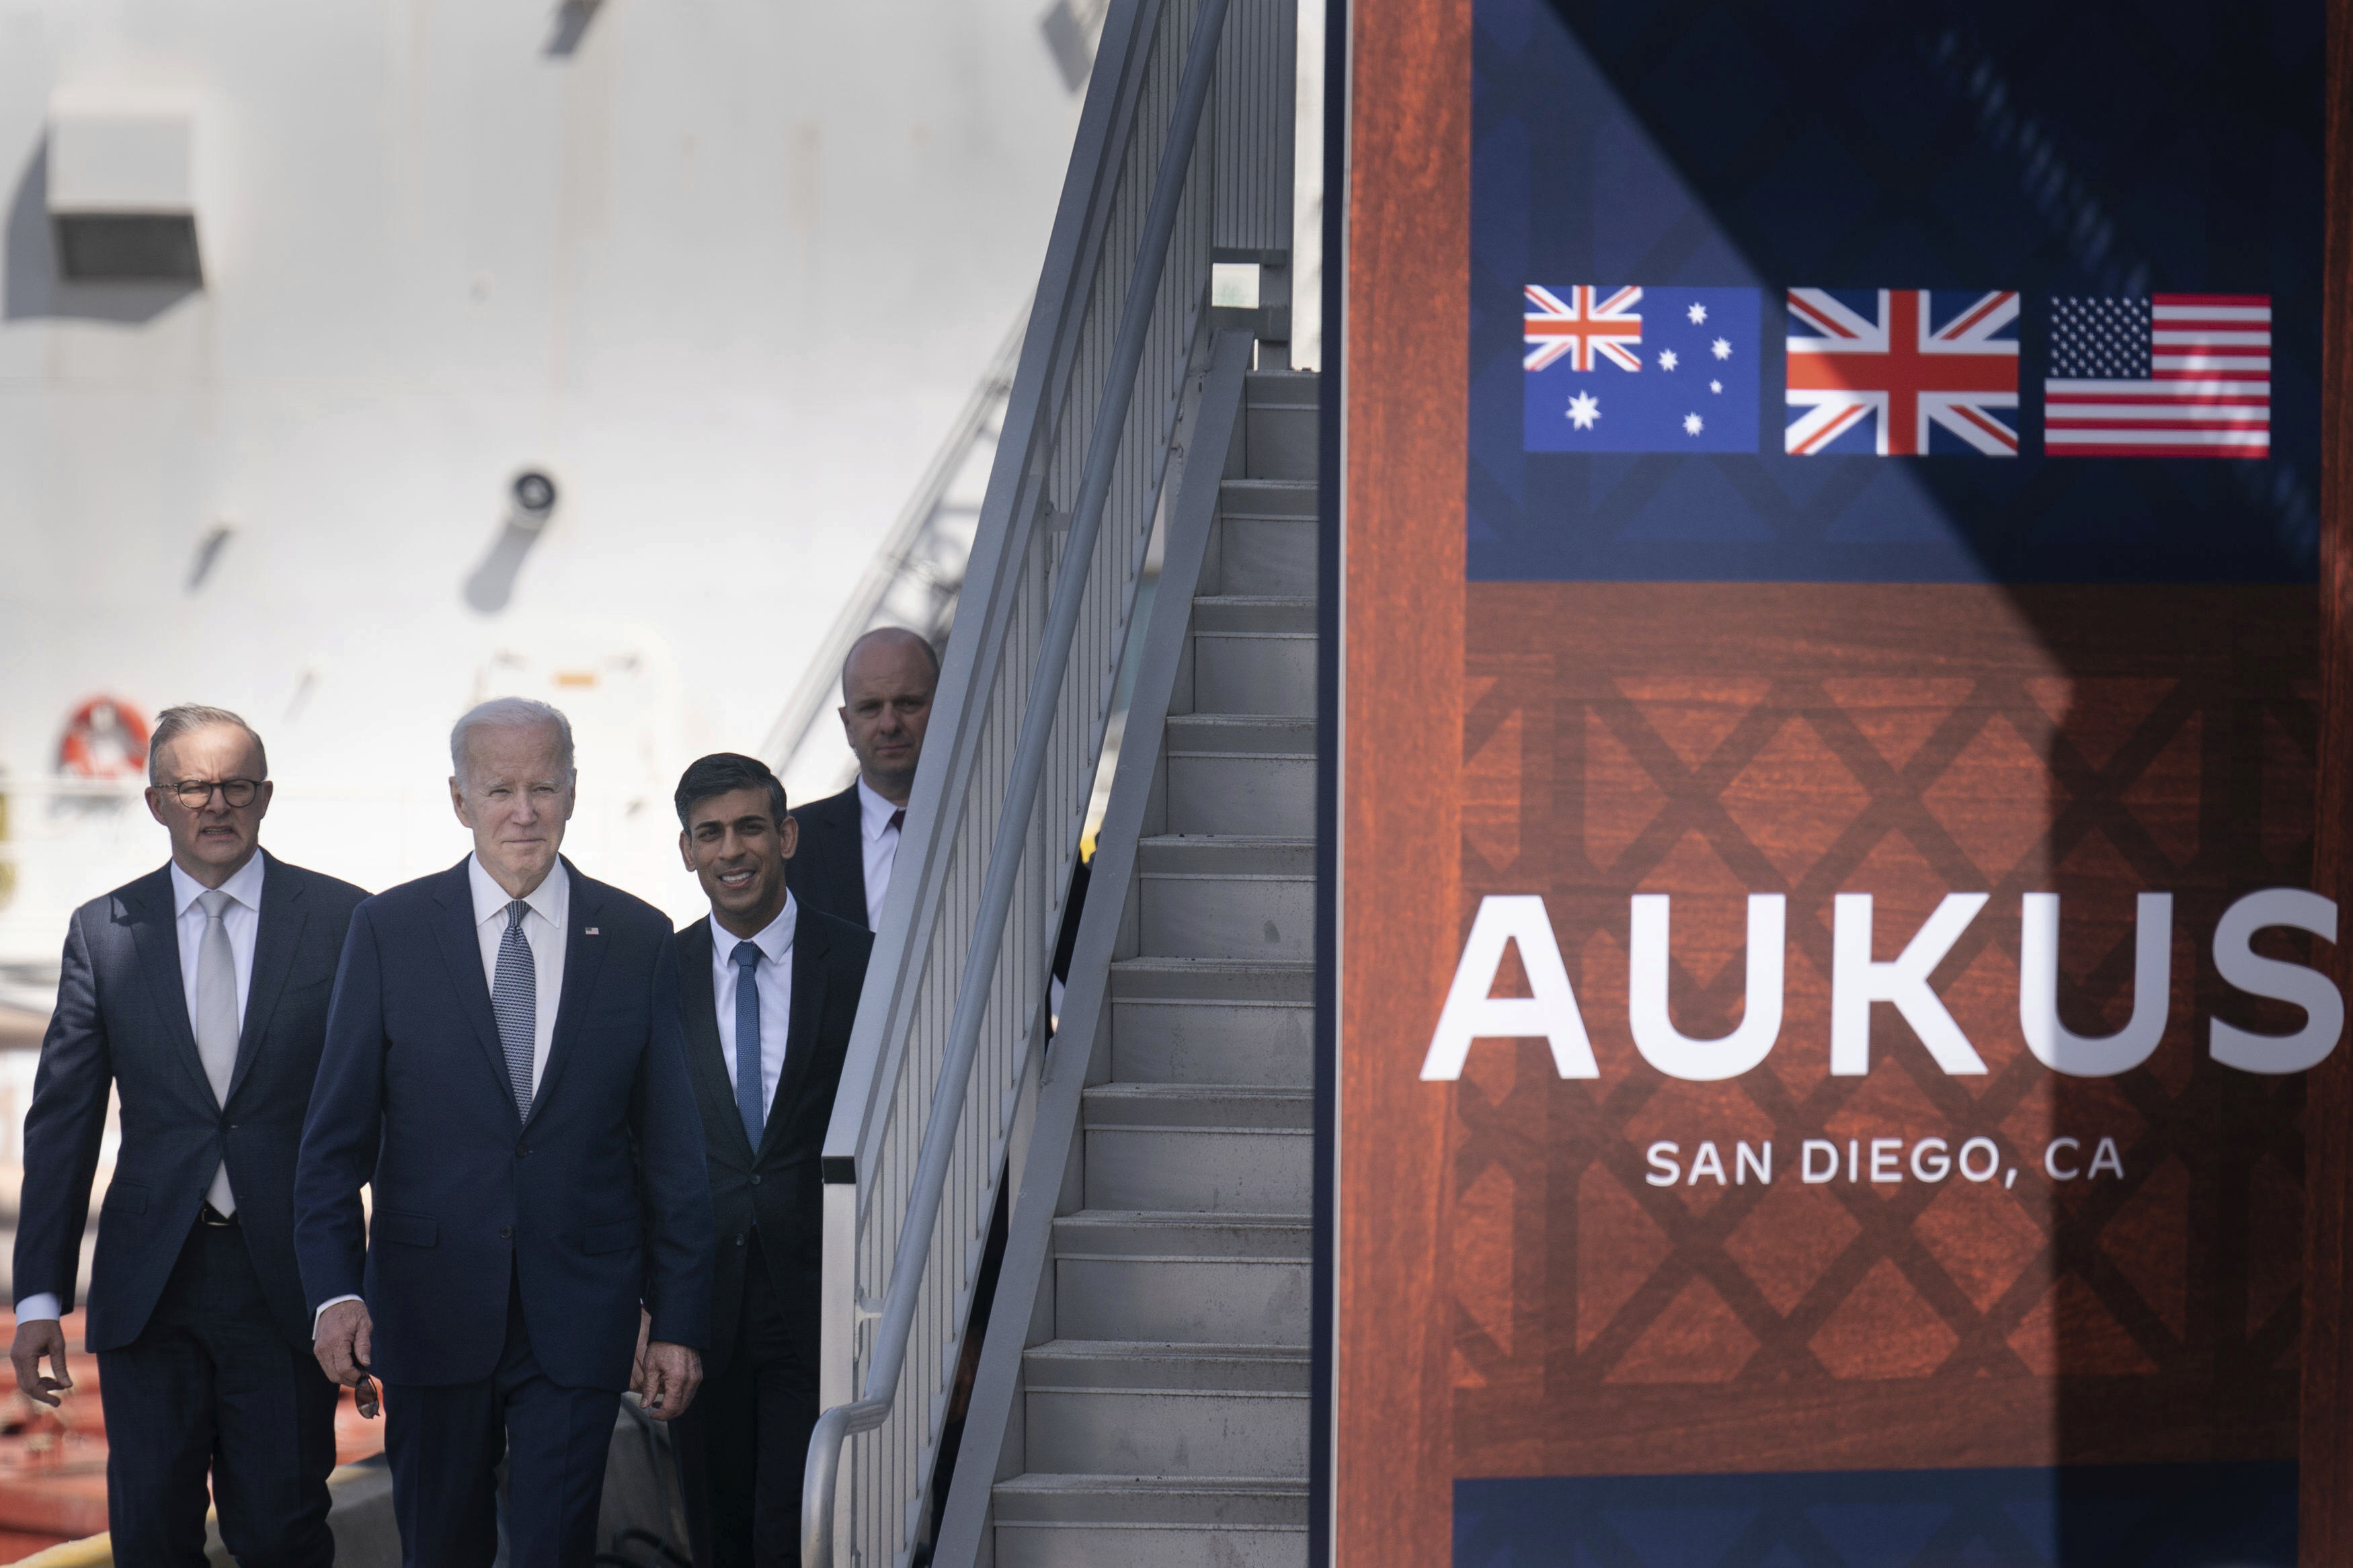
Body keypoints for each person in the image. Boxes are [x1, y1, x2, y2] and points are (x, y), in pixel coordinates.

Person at [292, 697, 714, 1567]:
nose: (524, 811)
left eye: (543, 788)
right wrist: (335, 1292)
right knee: (440, 1549)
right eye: (500, 790)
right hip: (427, 1305)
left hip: (581, 1312)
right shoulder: (390, 931)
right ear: (459, 799)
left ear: (571, 793)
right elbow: (333, 1141)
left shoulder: (637, 938)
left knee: (555, 1550)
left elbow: (673, 1150)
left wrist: (675, 1319)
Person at [10, 705, 368, 1567]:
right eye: (192, 786)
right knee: (152, 1539)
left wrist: (376, 1287)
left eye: (236, 784)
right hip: (150, 1286)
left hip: (289, 1283)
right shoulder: (105, 930)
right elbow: (63, 1120)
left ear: (266, 796)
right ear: (154, 801)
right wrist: (38, 1299)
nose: (216, 804)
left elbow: (386, 1108)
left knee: (282, 1531)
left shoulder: (345, 920)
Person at [666, 753, 872, 1567]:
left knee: (799, 1534)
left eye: (750, 826)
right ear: (686, 850)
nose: (731, 850)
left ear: (785, 834)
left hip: (818, 1306)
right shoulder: (657, 973)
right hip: (698, 1313)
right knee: (717, 1535)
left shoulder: (861, 964)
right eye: (709, 833)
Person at [787, 626, 939, 930]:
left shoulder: (1000, 823)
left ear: (942, 708)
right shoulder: (791, 845)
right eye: (870, 708)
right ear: (847, 724)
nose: (889, 724)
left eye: (908, 703)